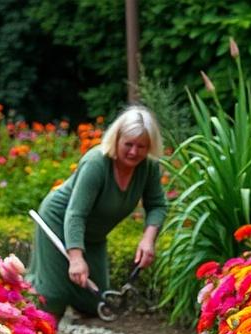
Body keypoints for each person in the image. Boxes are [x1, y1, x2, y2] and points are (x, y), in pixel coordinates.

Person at [28, 106, 167, 320]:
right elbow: (75, 214)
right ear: (116, 139)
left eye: (141, 146)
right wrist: (76, 258)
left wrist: (148, 240)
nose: (133, 152)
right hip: (58, 222)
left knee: (95, 302)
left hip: (93, 235)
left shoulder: (147, 167)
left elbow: (157, 204)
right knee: (52, 296)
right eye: (128, 144)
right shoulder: (96, 163)